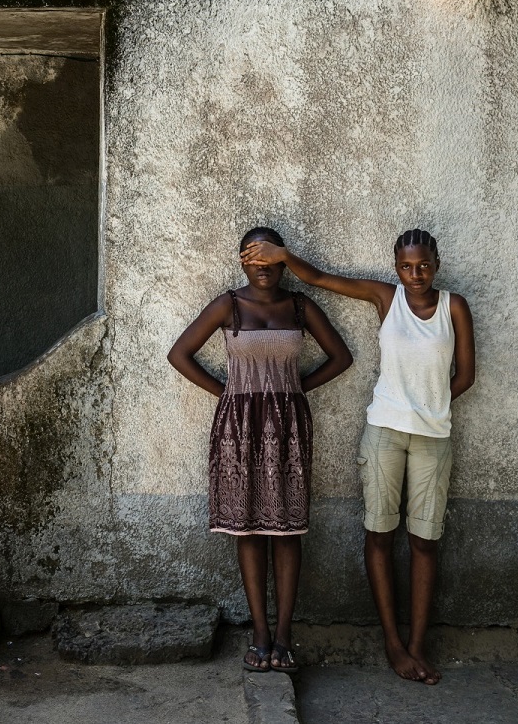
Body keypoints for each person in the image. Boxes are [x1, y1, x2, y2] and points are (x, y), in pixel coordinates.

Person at [241, 229, 475, 685]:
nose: (415, 275)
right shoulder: (386, 298)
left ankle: (418, 645)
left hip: (433, 437)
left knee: (425, 540)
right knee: (379, 534)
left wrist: (429, 407)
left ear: (437, 265)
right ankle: (393, 643)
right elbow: (321, 278)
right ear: (396, 268)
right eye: (406, 267)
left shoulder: (455, 307)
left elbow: (465, 375)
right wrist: (283, 255)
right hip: (384, 432)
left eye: (424, 266)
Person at [168, 227, 353, 674]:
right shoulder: (228, 305)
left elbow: (341, 357)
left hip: (288, 427)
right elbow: (179, 354)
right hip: (238, 428)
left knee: (287, 529)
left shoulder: (300, 306)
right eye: (254, 259)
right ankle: (260, 634)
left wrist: (294, 389)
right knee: (248, 528)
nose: (263, 267)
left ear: (282, 261)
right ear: (242, 262)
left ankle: (285, 637)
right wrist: (229, 393)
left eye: (271, 258)